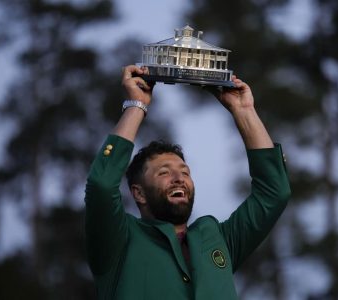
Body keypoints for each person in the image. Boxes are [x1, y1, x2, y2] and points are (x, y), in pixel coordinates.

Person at [84, 65, 291, 300]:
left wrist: (244, 110)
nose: (178, 177)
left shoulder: (217, 238)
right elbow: (101, 185)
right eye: (164, 172)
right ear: (138, 193)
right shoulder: (118, 240)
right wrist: (136, 105)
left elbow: (274, 193)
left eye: (185, 171)